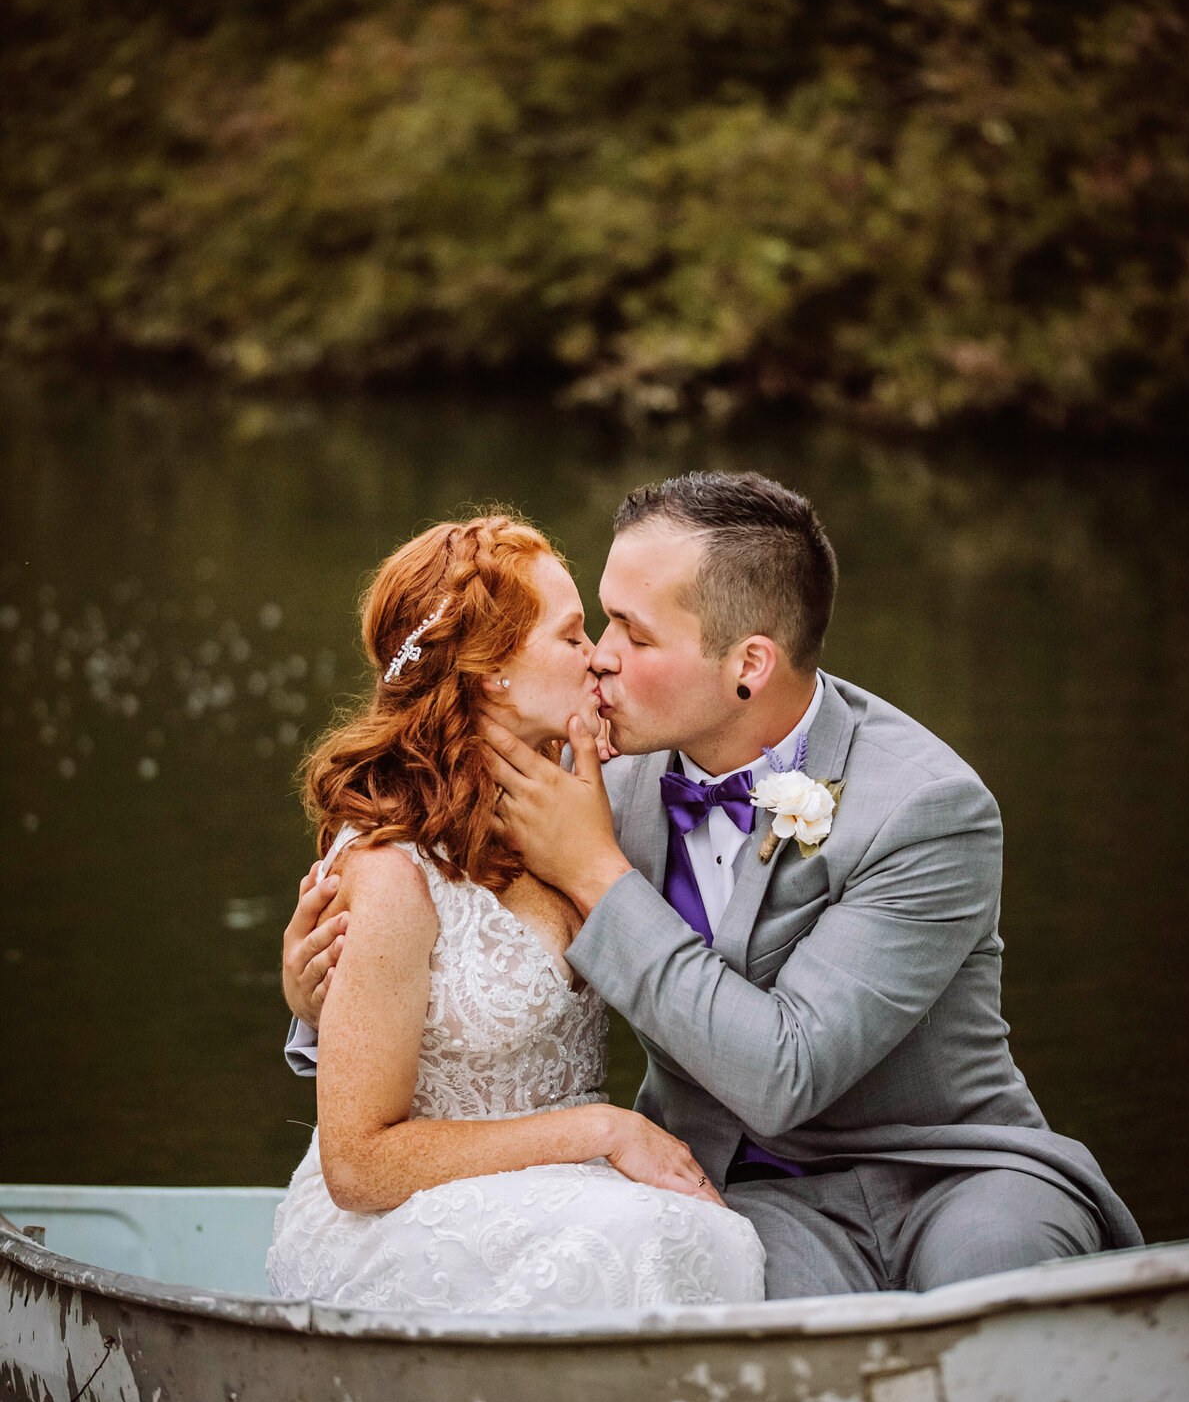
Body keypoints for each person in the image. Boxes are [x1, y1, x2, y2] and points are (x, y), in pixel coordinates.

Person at [286, 472, 1140, 1299]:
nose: (601, 662)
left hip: (953, 1168)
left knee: (998, 1291)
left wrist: (596, 872)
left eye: (634, 634)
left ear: (750, 665)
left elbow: (786, 1070)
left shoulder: (926, 809)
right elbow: (430, 886)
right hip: (743, 1187)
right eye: (598, 622)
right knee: (767, 1330)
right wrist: (317, 992)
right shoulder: (592, 775)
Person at [266, 512, 765, 1313]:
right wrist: (603, 1131)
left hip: (577, 1194)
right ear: (493, 670)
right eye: (573, 637)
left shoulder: (588, 794)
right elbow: (357, 1168)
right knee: (634, 1244)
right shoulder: (393, 869)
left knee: (692, 1234)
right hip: (415, 1217)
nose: (601, 655)